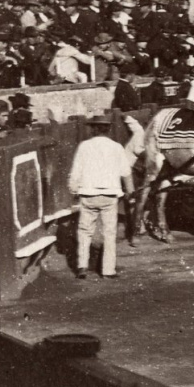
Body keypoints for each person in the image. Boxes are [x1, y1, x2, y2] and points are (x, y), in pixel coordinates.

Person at [66, 112, 134, 280]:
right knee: (109, 233)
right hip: (110, 195)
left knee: (84, 231)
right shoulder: (116, 147)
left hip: (88, 194)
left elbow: (75, 173)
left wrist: (74, 190)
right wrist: (130, 191)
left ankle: (82, 266)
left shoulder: (84, 146)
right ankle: (108, 270)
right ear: (108, 129)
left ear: (93, 129)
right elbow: (126, 173)